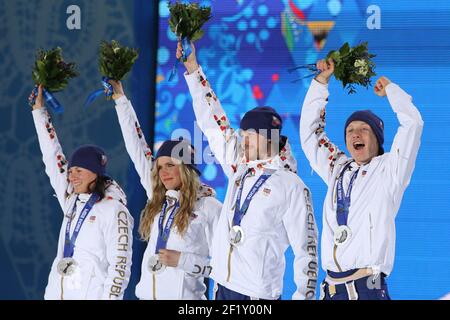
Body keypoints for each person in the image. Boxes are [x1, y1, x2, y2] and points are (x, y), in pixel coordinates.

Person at [179, 42, 318, 300]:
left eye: (250, 135)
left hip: (256, 295)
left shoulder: (291, 185)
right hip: (221, 286)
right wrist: (193, 70)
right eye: (242, 135)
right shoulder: (240, 168)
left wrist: (303, 295)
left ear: (269, 138)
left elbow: (306, 248)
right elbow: (212, 120)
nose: (243, 141)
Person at [300, 59, 424, 300]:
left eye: (363, 129)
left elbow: (413, 124)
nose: (355, 133)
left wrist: (391, 90)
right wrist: (320, 83)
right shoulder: (338, 167)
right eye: (350, 130)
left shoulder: (390, 170)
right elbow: (310, 134)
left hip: (366, 289)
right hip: (330, 290)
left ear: (377, 140)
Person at [109, 81, 222, 300]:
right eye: (160, 167)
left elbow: (226, 270)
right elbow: (137, 148)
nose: (163, 173)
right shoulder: (159, 199)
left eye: (170, 165)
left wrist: (183, 261)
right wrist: (120, 100)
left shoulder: (210, 208)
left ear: (186, 169)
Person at [30, 85, 133, 300]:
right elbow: (52, 156)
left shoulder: (114, 209)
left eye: (79, 170)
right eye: (70, 171)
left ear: (95, 173)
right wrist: (39, 111)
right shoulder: (72, 199)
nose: (72, 176)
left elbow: (120, 265)